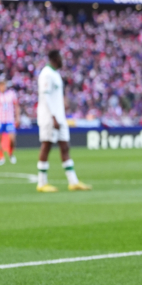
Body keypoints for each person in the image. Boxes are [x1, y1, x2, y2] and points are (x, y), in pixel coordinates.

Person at [36, 50, 91, 193]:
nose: (62, 61)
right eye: (60, 58)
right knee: (46, 146)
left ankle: (73, 182)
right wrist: (53, 116)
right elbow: (46, 96)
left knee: (65, 146)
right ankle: (41, 183)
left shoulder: (55, 74)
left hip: (59, 116)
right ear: (55, 58)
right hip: (49, 117)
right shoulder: (46, 74)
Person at [0, 80, 19, 165]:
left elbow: (16, 106)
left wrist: (17, 117)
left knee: (12, 139)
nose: (3, 87)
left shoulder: (12, 94)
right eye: (1, 85)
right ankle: (1, 157)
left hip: (10, 120)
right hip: (0, 120)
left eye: (4, 85)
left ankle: (10, 154)